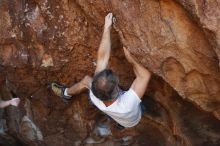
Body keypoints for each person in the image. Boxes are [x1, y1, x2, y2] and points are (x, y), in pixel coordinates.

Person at [51, 12, 151, 130]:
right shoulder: (128, 104)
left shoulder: (95, 95)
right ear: (117, 89)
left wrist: (107, 27)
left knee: (85, 81)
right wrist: (131, 60)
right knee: (135, 111)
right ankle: (122, 124)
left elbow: (102, 58)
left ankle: (66, 93)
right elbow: (144, 76)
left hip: (114, 112)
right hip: (133, 118)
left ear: (94, 87)